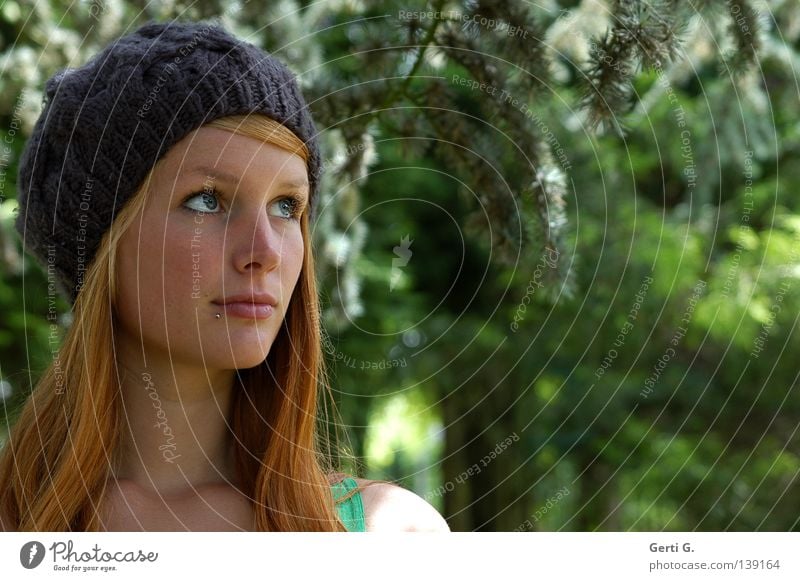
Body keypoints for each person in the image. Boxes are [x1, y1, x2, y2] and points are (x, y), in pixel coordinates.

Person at [0, 19, 449, 532]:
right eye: (207, 200)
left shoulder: (387, 534)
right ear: (101, 242)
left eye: (287, 206)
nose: (264, 252)